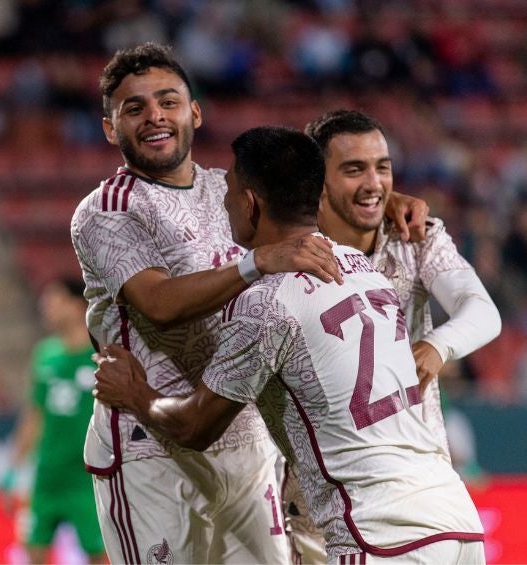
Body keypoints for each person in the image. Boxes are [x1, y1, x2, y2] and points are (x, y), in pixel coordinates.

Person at [70, 42, 426, 564]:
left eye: (167, 101)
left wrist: (377, 199)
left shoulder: (231, 189)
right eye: (134, 108)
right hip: (150, 448)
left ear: (194, 112)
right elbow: (161, 304)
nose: (154, 117)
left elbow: (300, 191)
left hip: (244, 437)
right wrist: (257, 262)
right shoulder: (106, 210)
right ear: (110, 129)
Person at [93, 125, 486, 564]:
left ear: (250, 202)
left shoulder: (267, 302)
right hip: (457, 521)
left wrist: (136, 394)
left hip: (379, 536)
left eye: (229, 190)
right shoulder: (367, 272)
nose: (223, 202)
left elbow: (195, 427)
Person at [281, 110, 502, 563]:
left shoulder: (415, 237)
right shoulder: (289, 259)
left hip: (420, 492)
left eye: (383, 167)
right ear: (315, 183)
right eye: (353, 169)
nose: (374, 182)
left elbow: (482, 311)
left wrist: (437, 346)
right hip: (323, 508)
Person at [2, 278, 105, 564]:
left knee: (97, 554)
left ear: (76, 305)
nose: (45, 307)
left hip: (88, 476)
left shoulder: (100, 354)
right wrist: (13, 470)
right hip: (47, 476)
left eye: (54, 300)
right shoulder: (45, 356)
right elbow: (34, 415)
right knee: (33, 551)